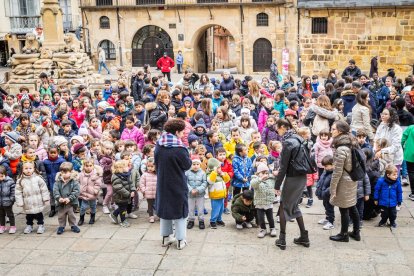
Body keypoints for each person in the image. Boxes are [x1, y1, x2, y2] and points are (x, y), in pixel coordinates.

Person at [154, 119, 192, 250]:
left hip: (162, 182)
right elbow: (187, 165)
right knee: (180, 212)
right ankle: (181, 240)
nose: (183, 135)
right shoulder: (180, 148)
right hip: (177, 183)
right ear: (177, 132)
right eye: (182, 132)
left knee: (165, 210)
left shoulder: (159, 144)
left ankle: (165, 238)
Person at [274, 119, 311, 250]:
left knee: (284, 206)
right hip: (302, 177)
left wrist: (277, 185)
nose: (276, 131)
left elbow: (283, 167)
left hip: (292, 178)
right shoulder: (299, 138)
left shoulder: (288, 142)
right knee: (294, 206)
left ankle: (282, 239)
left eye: (277, 128)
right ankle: (304, 237)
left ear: (283, 127)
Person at [329, 121, 360, 242]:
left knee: (344, 209)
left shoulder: (341, 148)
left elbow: (337, 171)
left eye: (333, 129)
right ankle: (356, 233)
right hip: (352, 178)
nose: (331, 131)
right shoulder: (351, 141)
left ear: (340, 131)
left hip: (344, 181)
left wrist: (333, 189)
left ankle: (344, 234)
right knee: (352, 206)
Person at [15, 161, 50, 234]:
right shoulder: (20, 180)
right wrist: (20, 202)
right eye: (26, 168)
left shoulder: (38, 178)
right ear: (22, 169)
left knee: (39, 214)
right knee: (29, 215)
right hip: (27, 202)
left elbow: (44, 189)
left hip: (38, 200)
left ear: (34, 169)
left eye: (30, 168)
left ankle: (41, 225)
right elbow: (18, 192)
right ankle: (29, 225)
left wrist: (45, 198)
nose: (28, 170)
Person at [53, 162, 81, 235]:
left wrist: (69, 198)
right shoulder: (58, 181)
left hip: (70, 203)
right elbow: (55, 190)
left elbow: (76, 191)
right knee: (61, 215)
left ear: (71, 172)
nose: (64, 174)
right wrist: (58, 198)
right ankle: (61, 226)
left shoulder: (74, 181)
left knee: (71, 215)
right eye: (62, 172)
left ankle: (73, 225)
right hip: (61, 203)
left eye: (66, 172)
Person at [251, 163, 277, 238]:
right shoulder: (255, 179)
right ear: (258, 173)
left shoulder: (271, 179)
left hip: (268, 202)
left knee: (270, 218)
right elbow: (253, 184)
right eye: (262, 173)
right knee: (261, 218)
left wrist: (275, 173)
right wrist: (260, 178)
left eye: (266, 173)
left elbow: (279, 180)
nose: (265, 175)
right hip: (259, 203)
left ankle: (272, 228)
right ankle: (263, 229)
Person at [78, 158, 102, 226]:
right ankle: (81, 218)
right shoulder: (81, 174)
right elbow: (78, 182)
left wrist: (96, 190)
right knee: (83, 207)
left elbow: (98, 184)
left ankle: (92, 217)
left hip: (92, 193)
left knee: (93, 206)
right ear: (84, 166)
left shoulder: (96, 174)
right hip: (83, 193)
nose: (88, 167)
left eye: (90, 166)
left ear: (93, 166)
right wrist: (79, 188)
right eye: (86, 166)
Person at [207, 157, 229, 229]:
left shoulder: (221, 174)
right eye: (218, 168)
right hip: (215, 195)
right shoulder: (209, 174)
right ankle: (212, 221)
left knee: (221, 209)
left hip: (222, 195)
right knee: (216, 209)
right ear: (214, 168)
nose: (220, 169)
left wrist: (223, 174)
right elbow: (211, 181)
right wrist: (214, 172)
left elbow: (227, 180)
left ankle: (219, 219)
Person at [315, 155, 335, 230]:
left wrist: (326, 192)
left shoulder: (334, 173)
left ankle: (331, 222)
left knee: (330, 208)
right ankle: (327, 218)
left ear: (333, 164)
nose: (325, 167)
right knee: (326, 206)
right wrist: (318, 188)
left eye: (326, 166)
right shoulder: (326, 171)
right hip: (324, 194)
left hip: (329, 194)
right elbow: (321, 180)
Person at [139, 157, 157, 223]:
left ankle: (158, 214)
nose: (150, 168)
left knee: (157, 205)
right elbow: (141, 183)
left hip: (156, 193)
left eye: (152, 166)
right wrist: (144, 190)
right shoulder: (145, 175)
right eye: (148, 166)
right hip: (148, 194)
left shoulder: (158, 174)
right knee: (150, 205)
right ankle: (151, 216)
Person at [0, 166, 16, 234]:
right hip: (0, 202)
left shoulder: (10, 181)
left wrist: (11, 199)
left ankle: (12, 226)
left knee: (10, 215)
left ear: (5, 175)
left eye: (1, 176)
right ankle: (2, 226)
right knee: (1, 215)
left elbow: (13, 191)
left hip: (8, 202)